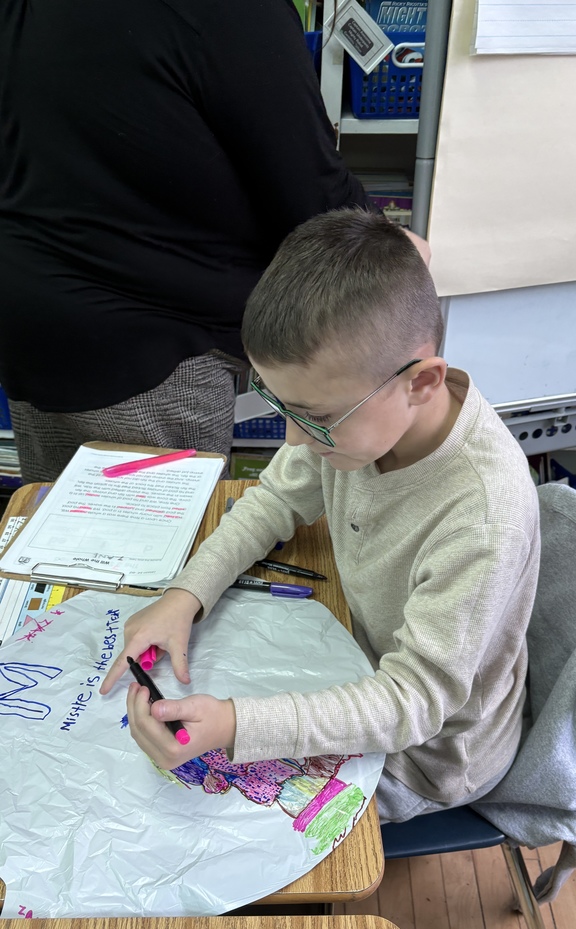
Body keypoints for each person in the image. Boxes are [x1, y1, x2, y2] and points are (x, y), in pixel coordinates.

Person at [101, 209, 538, 823]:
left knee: (193, 815)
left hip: (427, 756)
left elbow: (414, 703)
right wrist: (184, 595)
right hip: (359, 656)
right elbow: (278, 498)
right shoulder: (355, 419)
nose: (294, 438)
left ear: (421, 382)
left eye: (312, 415)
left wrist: (236, 725)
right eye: (281, 405)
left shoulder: (481, 518)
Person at [1, 0, 432, 483]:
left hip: (36, 310)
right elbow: (309, 189)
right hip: (145, 346)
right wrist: (391, 250)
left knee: (64, 536)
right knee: (159, 543)